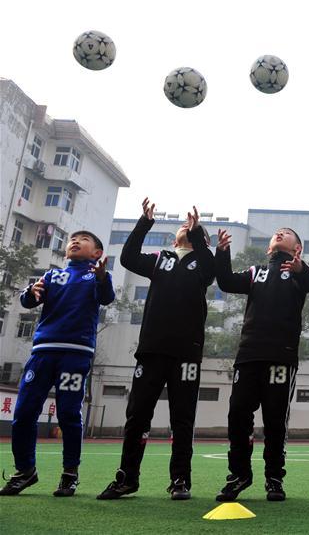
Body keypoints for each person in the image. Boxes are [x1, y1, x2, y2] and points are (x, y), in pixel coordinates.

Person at [97, 201, 215, 501]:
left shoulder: (204, 263)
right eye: (184, 227)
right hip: (151, 349)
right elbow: (128, 258)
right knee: (137, 415)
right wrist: (144, 223)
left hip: (186, 352)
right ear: (174, 239)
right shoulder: (160, 259)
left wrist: (197, 232)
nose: (186, 228)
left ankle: (180, 480)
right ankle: (127, 478)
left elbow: (212, 269)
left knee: (182, 418)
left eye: (194, 230)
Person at [0, 232, 114, 497]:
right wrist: (29, 292)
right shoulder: (52, 275)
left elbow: (106, 297)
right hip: (42, 353)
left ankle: (69, 474)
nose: (75, 241)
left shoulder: (97, 276)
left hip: (75, 354)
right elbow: (28, 301)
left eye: (83, 239)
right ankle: (25, 471)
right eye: (72, 239)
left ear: (97, 253)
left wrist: (101, 277)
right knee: (24, 412)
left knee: (68, 414)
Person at [213, 226, 309, 502]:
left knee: (275, 420)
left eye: (287, 233)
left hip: (281, 357)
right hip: (249, 355)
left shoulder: (298, 272)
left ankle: (274, 478)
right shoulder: (255, 272)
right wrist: (222, 252)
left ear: (297, 248)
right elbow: (226, 282)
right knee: (238, 415)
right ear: (269, 246)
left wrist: (300, 269)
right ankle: (239, 475)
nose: (280, 233)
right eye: (277, 233)